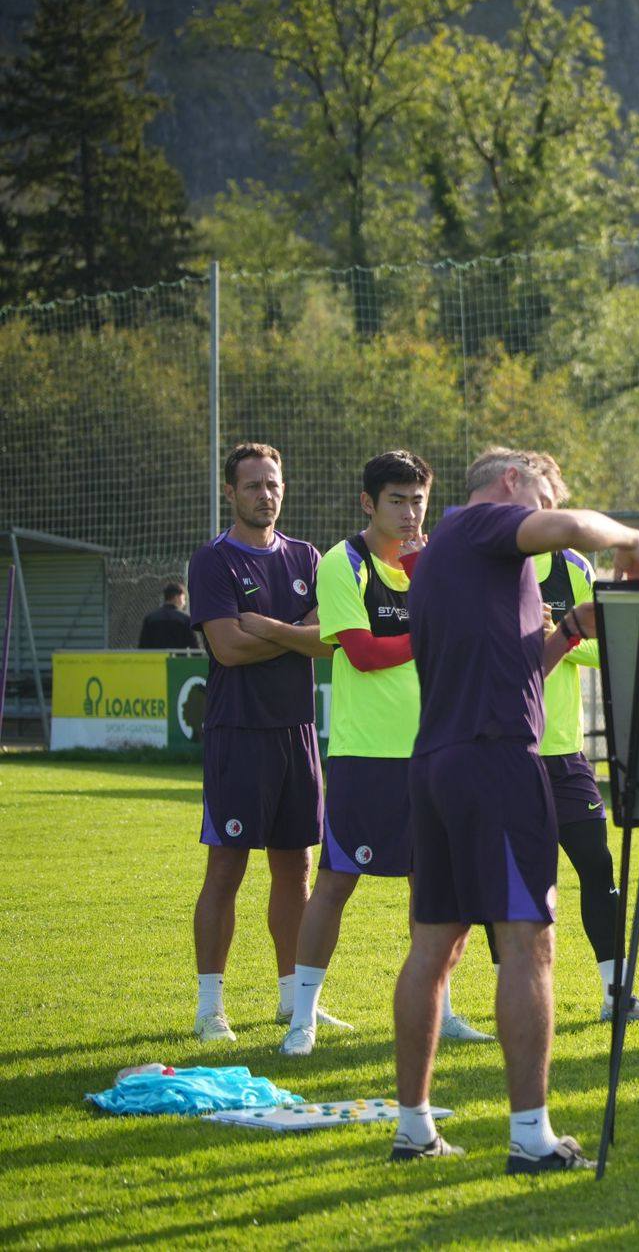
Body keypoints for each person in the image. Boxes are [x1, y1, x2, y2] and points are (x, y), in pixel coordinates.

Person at [390, 447, 639, 1171]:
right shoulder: (483, 525)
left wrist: (567, 631)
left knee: (435, 947)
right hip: (496, 760)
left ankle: (413, 1128)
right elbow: (568, 528)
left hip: (440, 761)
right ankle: (531, 1137)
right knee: (528, 941)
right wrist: (631, 543)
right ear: (511, 484)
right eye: (541, 494)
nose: (543, 509)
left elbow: (514, 667)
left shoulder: (448, 552)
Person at [278, 451, 434, 1056]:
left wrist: (425, 570)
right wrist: (430, 635)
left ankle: (440, 1009)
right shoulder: (343, 563)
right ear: (368, 503)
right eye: (396, 499)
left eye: (417, 499)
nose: (409, 511)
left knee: (434, 887)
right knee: (338, 881)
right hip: (365, 756)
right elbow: (363, 654)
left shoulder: (430, 565)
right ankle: (304, 1019)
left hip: (433, 753)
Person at [185, 442, 330, 1044]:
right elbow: (226, 648)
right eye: (252, 486)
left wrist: (269, 629)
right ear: (230, 492)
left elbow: (331, 640)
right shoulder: (212, 561)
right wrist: (296, 634)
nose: (264, 495)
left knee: (296, 869)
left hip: (296, 732)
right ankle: (208, 1006)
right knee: (226, 869)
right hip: (237, 733)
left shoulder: (307, 556)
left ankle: (293, 1003)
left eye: (272, 484)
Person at [529, 454, 639, 1025]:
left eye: (548, 502)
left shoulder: (574, 568)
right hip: (507, 753)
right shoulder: (489, 566)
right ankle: (516, 996)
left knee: (597, 868)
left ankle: (619, 996)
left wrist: (556, 636)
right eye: (529, 502)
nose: (539, 512)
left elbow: (608, 643)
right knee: (519, 889)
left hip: (566, 753)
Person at [138, 582, 200, 649]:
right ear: (177, 597)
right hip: (178, 659)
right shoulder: (185, 619)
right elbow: (195, 646)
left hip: (156, 658)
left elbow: (142, 646)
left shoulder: (150, 618)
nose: (184, 603)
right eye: (184, 599)